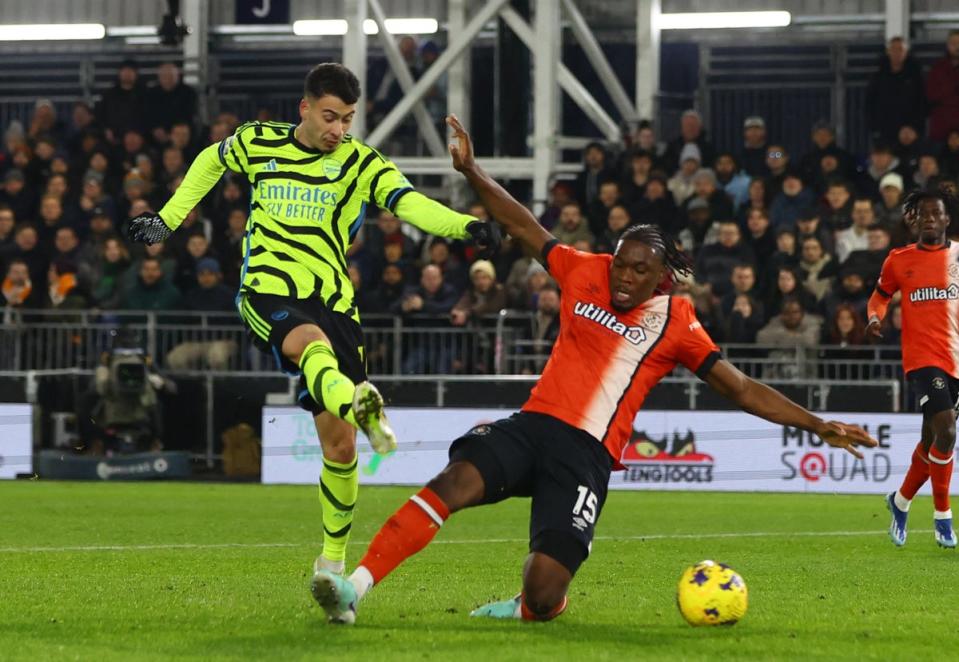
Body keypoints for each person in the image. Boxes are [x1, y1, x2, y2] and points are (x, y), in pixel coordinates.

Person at [309, 114, 877, 625]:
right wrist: (473, 172)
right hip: (533, 425)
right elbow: (526, 226)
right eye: (621, 266)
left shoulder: (677, 321)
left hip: (586, 455)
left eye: (637, 272)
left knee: (541, 591)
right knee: (451, 483)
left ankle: (534, 608)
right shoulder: (585, 270)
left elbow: (742, 388)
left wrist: (817, 423)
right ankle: (352, 589)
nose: (622, 279)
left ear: (661, 277)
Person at [126, 63, 501, 576]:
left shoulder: (359, 162)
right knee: (308, 343)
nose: (338, 130)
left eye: (347, 119)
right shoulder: (260, 142)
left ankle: (331, 565)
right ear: (304, 108)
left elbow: (407, 202)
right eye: (330, 117)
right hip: (269, 289)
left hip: (335, 302)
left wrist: (465, 226)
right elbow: (210, 161)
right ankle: (356, 400)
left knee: (341, 444)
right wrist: (167, 219)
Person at [867, 187, 959, 549]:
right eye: (924, 215)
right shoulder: (898, 260)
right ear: (914, 220)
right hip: (922, 360)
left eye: (937, 214)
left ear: (947, 219)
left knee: (932, 441)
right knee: (948, 432)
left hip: (956, 360)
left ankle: (900, 501)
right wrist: (875, 317)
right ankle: (943, 519)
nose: (931, 220)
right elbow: (880, 295)